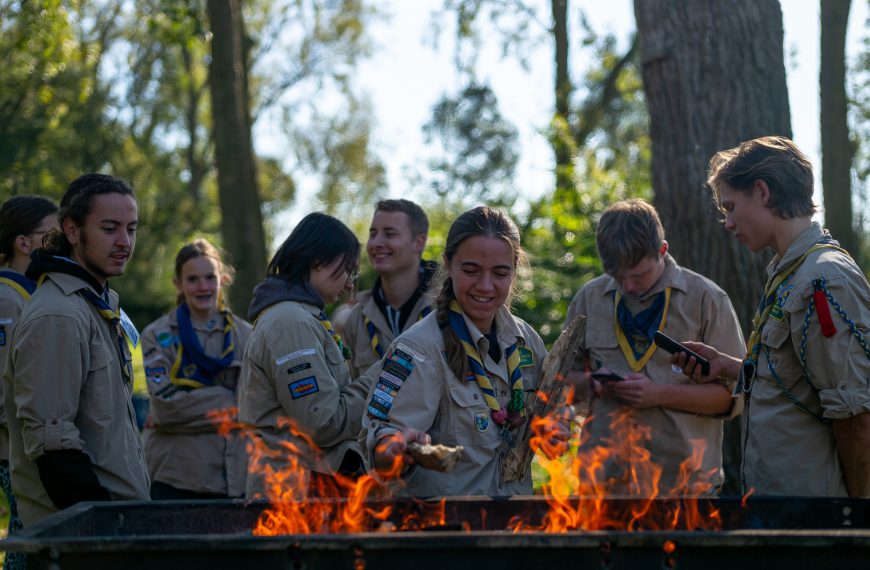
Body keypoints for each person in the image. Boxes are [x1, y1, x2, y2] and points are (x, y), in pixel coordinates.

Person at [674, 136, 870, 497]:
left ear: (762, 192)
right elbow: (796, 378)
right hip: (780, 505)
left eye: (731, 207)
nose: (729, 223)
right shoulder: (789, 273)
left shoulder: (824, 278)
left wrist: (856, 520)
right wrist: (729, 366)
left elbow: (855, 416)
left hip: (817, 515)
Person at [361, 206, 555, 497]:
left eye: (500, 272)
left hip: (515, 526)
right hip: (447, 533)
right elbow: (378, 448)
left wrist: (553, 430)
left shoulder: (526, 341)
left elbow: (546, 420)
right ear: (449, 264)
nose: (485, 285)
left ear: (515, 269)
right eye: (471, 270)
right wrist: (397, 447)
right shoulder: (418, 349)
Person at [563, 199, 744, 495]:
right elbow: (560, 382)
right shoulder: (589, 299)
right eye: (617, 277)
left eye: (638, 275)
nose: (628, 286)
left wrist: (658, 394)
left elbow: (730, 400)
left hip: (683, 489)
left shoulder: (706, 299)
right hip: (605, 487)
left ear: (662, 250)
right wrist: (595, 385)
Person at [3, 173, 150, 526]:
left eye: (131, 229)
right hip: (83, 536)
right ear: (71, 230)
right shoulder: (59, 314)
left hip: (121, 520)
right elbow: (52, 445)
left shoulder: (95, 305)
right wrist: (102, 526)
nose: (124, 242)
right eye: (110, 228)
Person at [239, 212, 376, 498]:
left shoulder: (301, 317)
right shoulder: (291, 323)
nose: (350, 284)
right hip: (295, 499)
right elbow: (322, 422)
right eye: (347, 270)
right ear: (318, 261)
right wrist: (380, 379)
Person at [140, 239, 252, 500]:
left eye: (209, 277)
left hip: (234, 478)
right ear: (178, 283)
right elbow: (167, 407)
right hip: (176, 477)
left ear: (222, 279)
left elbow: (259, 406)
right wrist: (231, 403)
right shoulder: (157, 335)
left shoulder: (248, 335)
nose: (203, 287)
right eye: (192, 279)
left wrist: (186, 414)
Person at [0, 195, 57, 566]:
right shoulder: (7, 300)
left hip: (28, 446)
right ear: (24, 243)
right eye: (51, 236)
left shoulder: (30, 294)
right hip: (15, 452)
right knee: (28, 539)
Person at [342, 199, 439, 377]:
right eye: (373, 234)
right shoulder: (356, 318)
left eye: (389, 234)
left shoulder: (445, 308)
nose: (376, 243)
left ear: (419, 243)